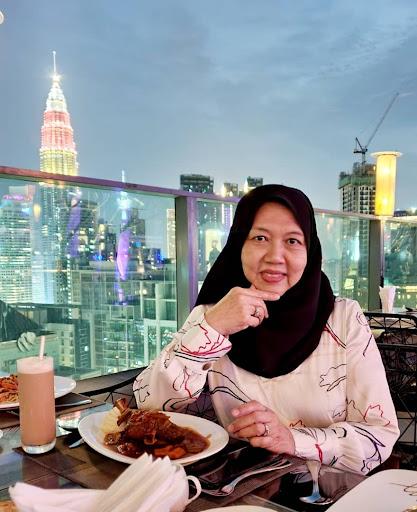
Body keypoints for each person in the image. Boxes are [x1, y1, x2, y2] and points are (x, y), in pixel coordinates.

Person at [133, 184, 399, 475]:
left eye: (293, 241)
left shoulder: (343, 319)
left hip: (329, 490)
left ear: (310, 251)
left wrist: (291, 439)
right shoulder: (213, 314)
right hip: (238, 487)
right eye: (260, 238)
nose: (275, 256)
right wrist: (212, 328)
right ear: (238, 244)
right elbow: (149, 405)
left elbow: (379, 436)